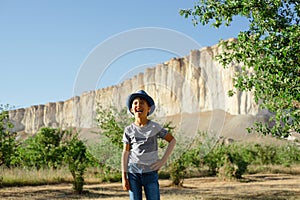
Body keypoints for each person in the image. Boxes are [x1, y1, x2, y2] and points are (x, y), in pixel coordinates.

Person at [122, 90, 176, 200]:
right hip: (133, 172)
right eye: (135, 103)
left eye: (142, 103)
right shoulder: (128, 130)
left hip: (150, 171)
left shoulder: (154, 127)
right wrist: (124, 176)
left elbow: (172, 141)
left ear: (148, 109)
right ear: (132, 109)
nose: (138, 105)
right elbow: (125, 153)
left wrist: (162, 161)